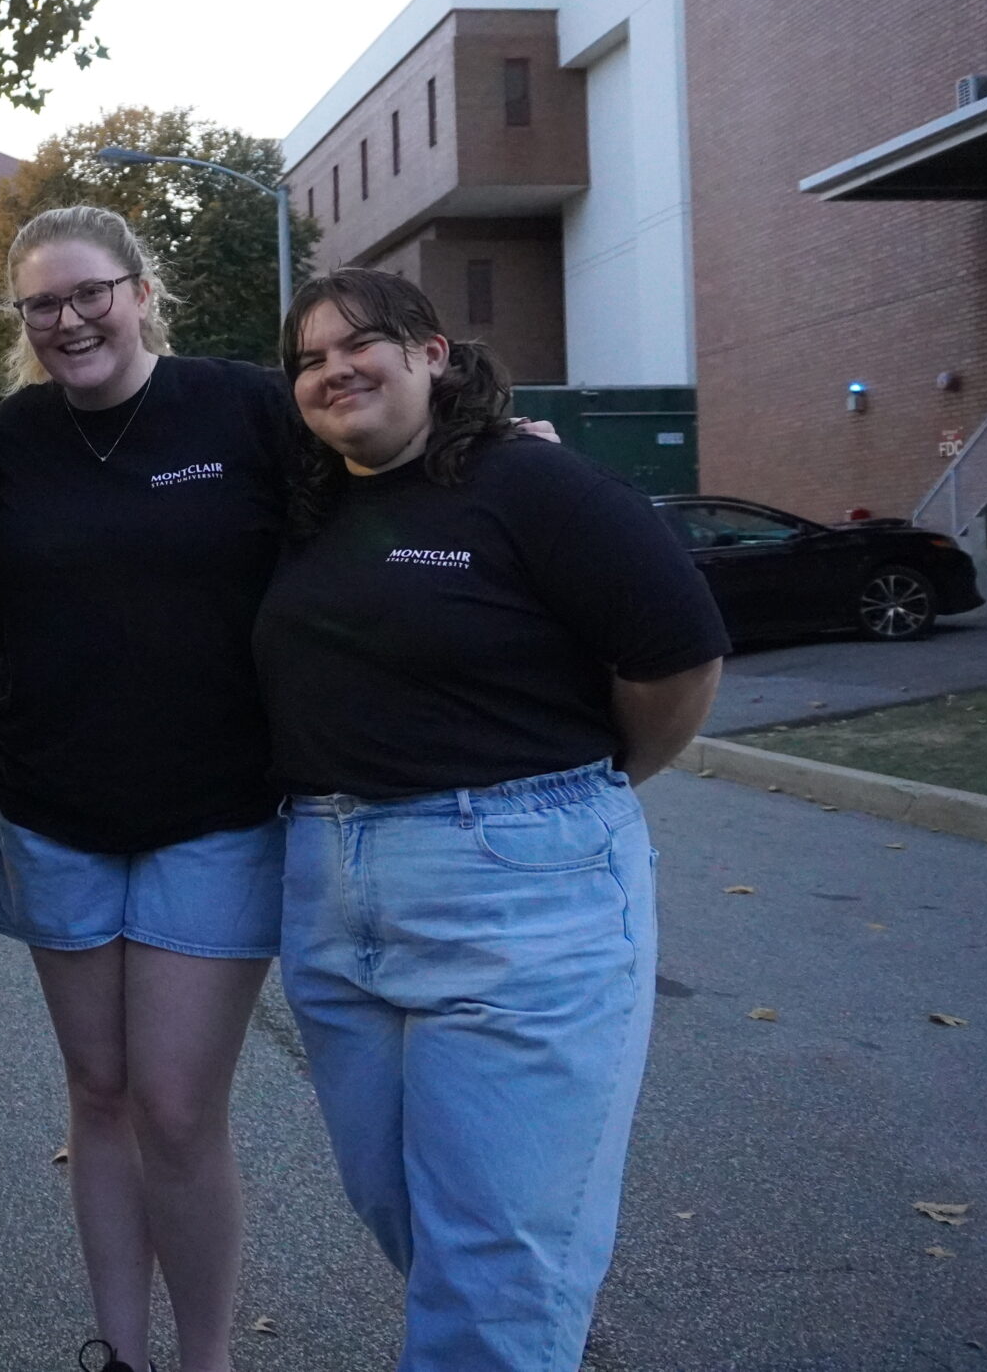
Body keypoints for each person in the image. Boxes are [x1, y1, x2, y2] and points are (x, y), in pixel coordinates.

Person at [254, 268, 727, 1372]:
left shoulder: (532, 485)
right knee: (411, 1219)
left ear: (432, 353)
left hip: (522, 886)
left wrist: (577, 791)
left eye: (359, 344)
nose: (333, 370)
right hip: (333, 896)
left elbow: (678, 659)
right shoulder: (311, 504)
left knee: (496, 1266)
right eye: (308, 360)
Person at [0, 206, 301, 1372]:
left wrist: (494, 451)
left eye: (88, 293)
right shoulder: (13, 437)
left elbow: (370, 493)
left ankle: (201, 1357)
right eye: (42, 305)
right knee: (99, 1093)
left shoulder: (244, 409)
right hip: (57, 811)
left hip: (214, 810)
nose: (69, 321)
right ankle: (119, 1350)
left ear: (140, 289)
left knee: (174, 1105)